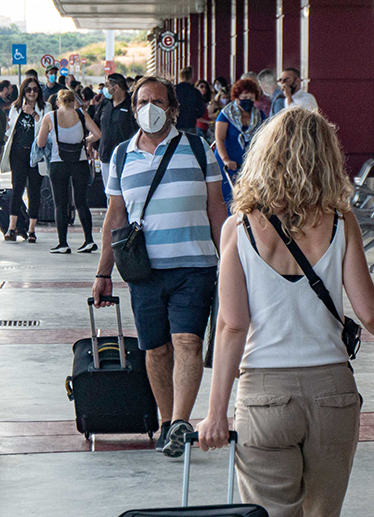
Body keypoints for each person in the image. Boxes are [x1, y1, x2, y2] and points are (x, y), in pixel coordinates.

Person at [196, 106, 374, 516]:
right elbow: (370, 313)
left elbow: (231, 325)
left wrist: (215, 413)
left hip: (265, 396)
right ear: (325, 159)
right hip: (332, 393)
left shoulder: (238, 228)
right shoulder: (340, 222)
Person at [92, 76, 227, 458]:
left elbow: (218, 211)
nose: (149, 108)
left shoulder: (200, 150)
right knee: (156, 349)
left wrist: (232, 262)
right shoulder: (120, 155)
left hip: (194, 266)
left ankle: (182, 421)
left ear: (173, 109)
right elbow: (115, 218)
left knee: (188, 341)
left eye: (157, 101)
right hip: (143, 270)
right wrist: (104, 273)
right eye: (142, 102)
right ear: (133, 108)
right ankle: (168, 422)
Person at [36, 89, 101, 254]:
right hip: (79, 163)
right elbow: (98, 134)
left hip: (59, 163)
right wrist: (84, 141)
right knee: (81, 202)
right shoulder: (81, 114)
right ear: (73, 101)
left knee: (60, 204)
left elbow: (41, 143)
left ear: (58, 102)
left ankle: (63, 243)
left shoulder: (50, 116)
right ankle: (89, 240)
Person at [3, 77, 46, 243]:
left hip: (36, 155)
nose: (32, 93)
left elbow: (45, 127)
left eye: (35, 89)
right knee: (17, 189)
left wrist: (33, 113)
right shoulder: (15, 107)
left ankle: (32, 229)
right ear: (23, 91)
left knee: (34, 191)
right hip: (18, 153)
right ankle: (12, 227)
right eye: (28, 89)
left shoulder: (45, 107)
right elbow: (11, 129)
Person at [215, 79, 266, 210]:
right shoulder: (226, 114)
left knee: (250, 197)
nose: (247, 100)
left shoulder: (260, 115)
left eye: (251, 97)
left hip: (249, 164)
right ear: (237, 98)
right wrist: (226, 160)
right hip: (228, 162)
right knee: (228, 197)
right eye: (244, 97)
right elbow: (219, 139)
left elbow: (265, 138)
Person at [95, 73, 137, 180]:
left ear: (116, 87)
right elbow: (96, 125)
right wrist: (95, 147)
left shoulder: (131, 105)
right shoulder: (105, 103)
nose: (105, 89)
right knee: (109, 193)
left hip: (125, 157)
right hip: (106, 155)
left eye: (107, 86)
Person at [174, 66, 206, 135]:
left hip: (176, 123)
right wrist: (194, 115)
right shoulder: (195, 92)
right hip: (190, 123)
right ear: (191, 76)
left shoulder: (174, 90)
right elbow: (201, 110)